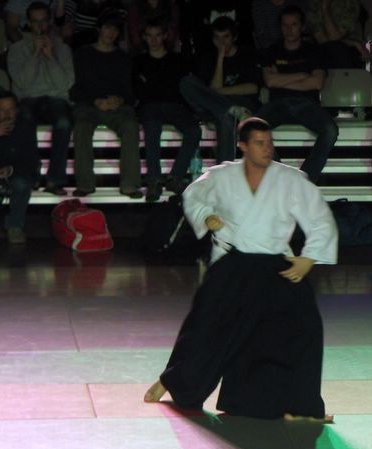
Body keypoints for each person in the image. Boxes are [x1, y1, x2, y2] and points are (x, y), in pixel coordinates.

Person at [143, 117, 338, 422]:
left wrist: (309, 257)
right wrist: (206, 216)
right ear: (243, 146)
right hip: (233, 261)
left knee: (302, 329)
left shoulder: (290, 179)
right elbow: (193, 195)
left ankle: (296, 405)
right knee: (206, 327)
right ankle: (172, 381)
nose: (267, 148)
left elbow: (320, 218)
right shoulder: (221, 176)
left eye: (269, 142)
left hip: (277, 264)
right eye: (259, 143)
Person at [257, 4, 338, 184]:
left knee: (331, 130)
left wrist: (282, 78)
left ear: (302, 27)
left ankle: (304, 181)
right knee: (253, 128)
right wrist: (302, 75)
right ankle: (282, 178)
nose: (289, 29)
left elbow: (317, 83)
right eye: (285, 25)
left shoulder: (313, 50)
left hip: (307, 104)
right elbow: (270, 82)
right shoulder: (272, 50)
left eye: (294, 24)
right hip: (278, 104)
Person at [70, 8, 143, 197]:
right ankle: (85, 184)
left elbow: (130, 92)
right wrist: (95, 101)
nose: (111, 33)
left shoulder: (123, 58)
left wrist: (120, 99)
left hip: (117, 106)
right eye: (108, 28)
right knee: (81, 126)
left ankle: (130, 184)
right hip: (89, 104)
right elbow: (75, 89)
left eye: (115, 30)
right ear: (99, 29)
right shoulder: (82, 54)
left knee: (130, 125)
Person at [6, 1, 74, 195]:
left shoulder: (62, 47)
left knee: (64, 122)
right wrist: (35, 54)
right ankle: (31, 174)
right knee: (24, 118)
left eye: (44, 21)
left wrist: (51, 57)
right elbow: (23, 83)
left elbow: (66, 84)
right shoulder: (17, 49)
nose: (40, 26)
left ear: (50, 21)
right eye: (35, 21)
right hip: (29, 98)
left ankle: (55, 180)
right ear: (28, 23)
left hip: (56, 98)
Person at [133, 18, 201, 201]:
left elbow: (185, 88)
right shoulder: (138, 61)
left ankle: (175, 177)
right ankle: (154, 181)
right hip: (150, 106)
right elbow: (139, 91)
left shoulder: (178, 60)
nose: (154, 40)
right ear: (144, 37)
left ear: (164, 36)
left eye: (157, 35)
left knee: (194, 130)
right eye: (149, 36)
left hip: (175, 106)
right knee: (152, 127)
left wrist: (151, 84)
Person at [179, 16, 260, 165]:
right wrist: (220, 58)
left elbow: (252, 87)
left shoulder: (246, 54)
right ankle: (231, 109)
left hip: (241, 104)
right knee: (186, 83)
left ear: (234, 37)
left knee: (225, 117)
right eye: (217, 38)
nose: (221, 42)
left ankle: (224, 170)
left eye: (225, 37)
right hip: (214, 107)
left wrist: (218, 94)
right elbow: (210, 90)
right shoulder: (209, 58)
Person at [0, 91, 40, 244]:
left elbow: (31, 160)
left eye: (11, 109)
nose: (7, 114)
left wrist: (10, 170)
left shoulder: (26, 127)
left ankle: (14, 226)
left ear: (17, 110)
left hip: (16, 171)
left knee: (21, 184)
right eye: (2, 110)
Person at [304, 0, 366, 67]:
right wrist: (351, 43)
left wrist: (325, 8)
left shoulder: (350, 3)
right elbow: (321, 39)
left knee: (339, 51)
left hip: (349, 51)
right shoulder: (313, 4)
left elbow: (334, 38)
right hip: (321, 49)